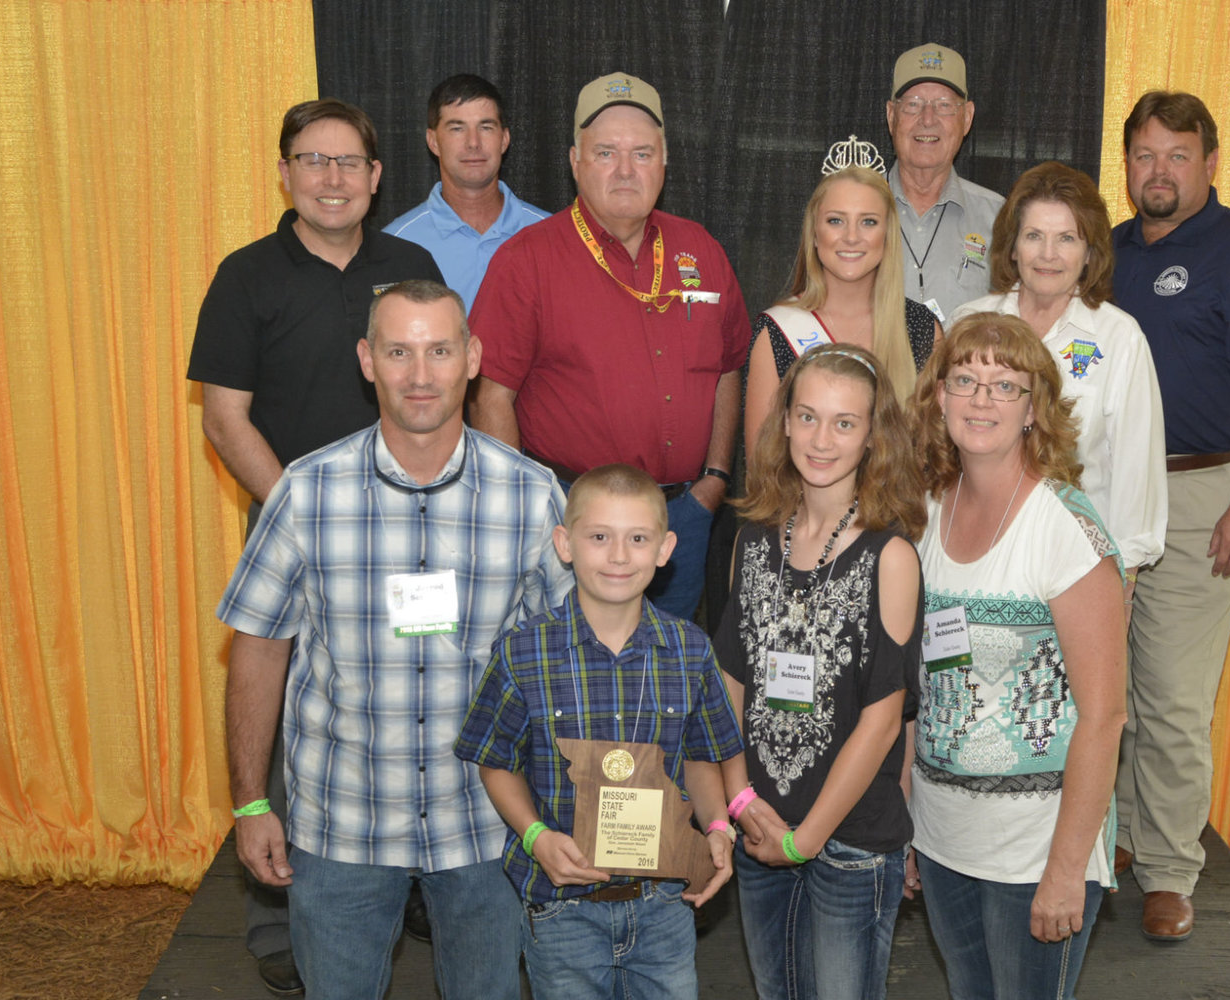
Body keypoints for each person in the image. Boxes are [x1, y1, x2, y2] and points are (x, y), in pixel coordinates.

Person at [218, 280, 571, 1000]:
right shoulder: (305, 492)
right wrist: (252, 803)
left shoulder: (533, 496)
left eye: (439, 351)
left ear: (472, 358)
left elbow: (572, 661)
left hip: (487, 825)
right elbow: (257, 647)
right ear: (366, 360)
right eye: (399, 351)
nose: (419, 374)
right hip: (342, 823)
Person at [186, 98, 441, 994]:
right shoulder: (246, 275)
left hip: (416, 534)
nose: (332, 178)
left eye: (349, 163)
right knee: (292, 718)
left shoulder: (410, 265)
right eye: (312, 160)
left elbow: (436, 392)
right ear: (285, 173)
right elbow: (225, 416)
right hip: (296, 531)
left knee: (413, 695)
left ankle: (413, 882)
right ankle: (274, 916)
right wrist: (303, 511)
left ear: (377, 177)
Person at [1110, 91, 1230, 940]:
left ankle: (1170, 868)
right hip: (1102, 497)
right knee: (1097, 686)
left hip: (1197, 495)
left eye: (1177, 155)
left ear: (1210, 164)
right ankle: (1107, 839)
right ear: (1127, 166)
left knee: (1175, 699)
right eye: (1145, 155)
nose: (1159, 171)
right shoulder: (1100, 252)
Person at [469, 71, 751, 620]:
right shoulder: (527, 260)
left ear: (664, 163)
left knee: (665, 686)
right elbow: (490, 394)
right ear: (575, 161)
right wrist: (529, 511)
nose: (626, 170)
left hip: (679, 521)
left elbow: (729, 367)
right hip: (575, 527)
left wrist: (714, 481)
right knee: (570, 686)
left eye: (642, 153)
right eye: (606, 153)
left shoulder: (701, 249)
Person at [457, 463, 744, 999]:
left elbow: (703, 757)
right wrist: (535, 836)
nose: (618, 556)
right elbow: (494, 760)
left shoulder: (690, 651)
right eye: (598, 537)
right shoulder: (524, 651)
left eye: (637, 538)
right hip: (563, 908)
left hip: (664, 904)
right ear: (565, 544)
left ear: (665, 549)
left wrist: (717, 829)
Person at [905, 313, 1127, 1000]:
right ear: (938, 396)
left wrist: (1066, 869)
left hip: (1035, 850)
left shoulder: (1067, 529)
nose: (981, 399)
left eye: (1005, 386)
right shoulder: (927, 510)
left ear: (1035, 408)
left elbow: (1104, 718)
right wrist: (910, 813)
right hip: (944, 837)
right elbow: (921, 680)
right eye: (965, 379)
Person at [716, 343, 925, 1000]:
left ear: (872, 437)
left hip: (849, 841)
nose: (822, 439)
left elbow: (884, 718)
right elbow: (729, 686)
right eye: (807, 417)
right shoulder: (752, 538)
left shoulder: (890, 555)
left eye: (844, 423)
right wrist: (744, 805)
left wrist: (805, 841)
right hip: (761, 827)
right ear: (783, 423)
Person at [952, 161, 1167, 608]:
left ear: (1090, 252)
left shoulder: (1119, 338)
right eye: (1034, 236)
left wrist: (1122, 578)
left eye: (1066, 238)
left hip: (1080, 570)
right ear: (1012, 248)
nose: (1048, 254)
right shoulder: (967, 324)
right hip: (975, 558)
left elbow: (1135, 468)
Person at [743, 165, 940, 456]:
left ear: (888, 235)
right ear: (813, 233)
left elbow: (936, 454)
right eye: (836, 221)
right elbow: (761, 468)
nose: (851, 237)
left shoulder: (922, 327)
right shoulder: (776, 333)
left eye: (868, 222)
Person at [386, 74, 547, 310]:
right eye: (457, 128)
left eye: (486, 127)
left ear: (504, 139)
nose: (473, 142)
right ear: (433, 141)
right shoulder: (395, 243)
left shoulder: (550, 235)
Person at [884, 43, 1005, 325]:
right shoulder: (853, 212)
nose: (927, 119)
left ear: (967, 118)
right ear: (891, 116)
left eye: (944, 106)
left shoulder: (1000, 218)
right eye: (913, 104)